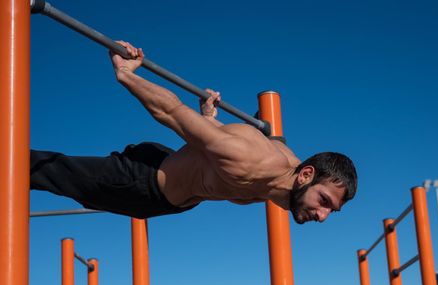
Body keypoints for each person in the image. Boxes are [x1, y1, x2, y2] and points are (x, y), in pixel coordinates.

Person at [30, 41, 357, 223]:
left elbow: (269, 140)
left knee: (82, 195)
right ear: (306, 175)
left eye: (332, 209)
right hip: (141, 182)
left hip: (168, 196)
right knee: (40, 170)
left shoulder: (291, 180)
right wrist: (126, 74)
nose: (323, 215)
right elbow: (170, 112)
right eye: (324, 201)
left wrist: (210, 119)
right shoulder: (249, 160)